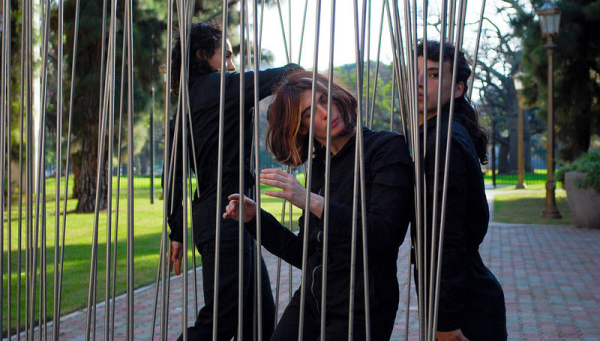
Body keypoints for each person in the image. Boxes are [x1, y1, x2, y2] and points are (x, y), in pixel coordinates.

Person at [223, 71, 413, 340]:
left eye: (326, 99)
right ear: (302, 128)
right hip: (313, 299)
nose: (326, 112)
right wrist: (255, 219)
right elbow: (307, 253)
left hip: (362, 305)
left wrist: (310, 200)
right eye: (311, 113)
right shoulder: (320, 168)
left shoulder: (385, 149)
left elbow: (384, 235)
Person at [165, 21, 301, 340]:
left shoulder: (184, 102)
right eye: (225, 56)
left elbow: (171, 177)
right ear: (201, 56)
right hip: (226, 219)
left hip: (225, 220)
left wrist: (176, 232)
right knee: (218, 324)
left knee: (260, 318)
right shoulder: (218, 87)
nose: (231, 65)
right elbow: (288, 72)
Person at [413, 40, 507, 340]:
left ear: (458, 89)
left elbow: (446, 237)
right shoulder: (435, 133)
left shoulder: (444, 142)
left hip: (468, 308)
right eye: (415, 72)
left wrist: (447, 321)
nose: (418, 82)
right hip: (462, 296)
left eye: (433, 74)